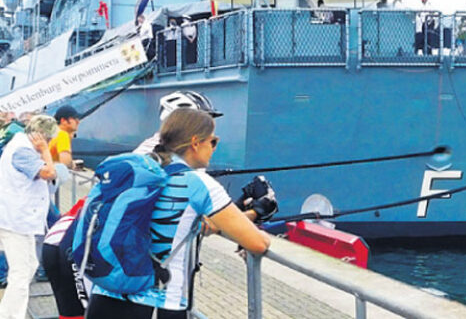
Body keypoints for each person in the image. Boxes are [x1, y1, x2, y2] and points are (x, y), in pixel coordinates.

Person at [85, 109, 271, 318]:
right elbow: (257, 243)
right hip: (156, 306)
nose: (214, 148)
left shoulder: (136, 170)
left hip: (104, 295)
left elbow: (177, 222)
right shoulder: (200, 184)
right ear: (195, 142)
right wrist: (259, 217)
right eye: (213, 141)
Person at [0, 115, 59, 319]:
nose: (50, 142)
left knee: (30, 264)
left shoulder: (20, 145)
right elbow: (49, 173)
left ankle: (7, 311)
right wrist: (45, 151)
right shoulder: (23, 152)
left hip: (19, 218)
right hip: (15, 220)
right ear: (41, 137)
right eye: (49, 139)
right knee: (21, 273)